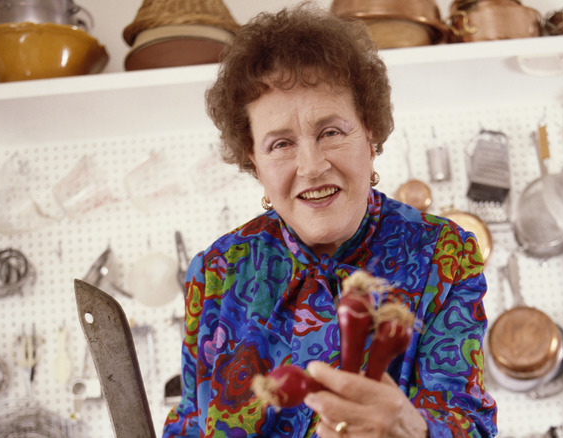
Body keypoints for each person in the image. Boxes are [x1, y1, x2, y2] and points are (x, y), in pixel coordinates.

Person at [163, 4, 497, 437]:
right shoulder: (216, 272)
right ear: (255, 161)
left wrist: (411, 430)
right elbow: (190, 423)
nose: (312, 165)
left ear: (370, 133)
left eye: (331, 132)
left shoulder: (442, 254)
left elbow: (467, 423)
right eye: (280, 143)